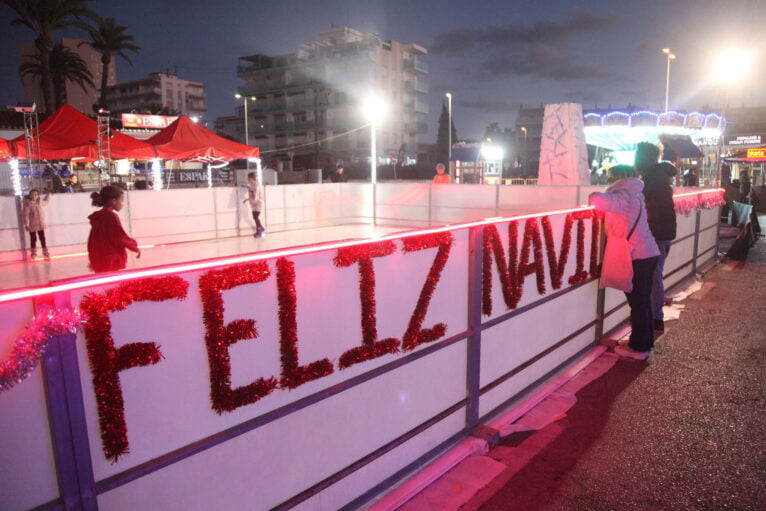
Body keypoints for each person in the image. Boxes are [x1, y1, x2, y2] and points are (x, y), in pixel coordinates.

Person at [589, 165, 660, 360]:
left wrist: (593, 195)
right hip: (646, 252)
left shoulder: (624, 193)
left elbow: (600, 202)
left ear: (617, 177)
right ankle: (645, 341)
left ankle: (639, 348)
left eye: (610, 178)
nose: (609, 181)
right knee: (643, 301)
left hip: (637, 254)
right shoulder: (635, 192)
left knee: (638, 302)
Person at [635, 143, 677, 333]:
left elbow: (651, 207)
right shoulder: (656, 177)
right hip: (660, 233)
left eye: (638, 155)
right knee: (653, 275)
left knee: (652, 276)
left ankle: (655, 318)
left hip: (656, 234)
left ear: (646, 158)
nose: (635, 160)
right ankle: (652, 315)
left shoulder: (654, 180)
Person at [87, 185, 140, 272]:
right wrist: (134, 246)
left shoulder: (98, 217)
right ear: (114, 201)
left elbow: (93, 240)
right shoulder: (111, 216)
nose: (122, 204)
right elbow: (120, 237)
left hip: (99, 259)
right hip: (111, 260)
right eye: (121, 201)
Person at [22, 188, 51, 260]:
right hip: (32, 225)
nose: (34, 196)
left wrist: (48, 194)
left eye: (35, 194)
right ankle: (34, 253)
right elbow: (25, 215)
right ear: (29, 195)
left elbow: (46, 202)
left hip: (40, 224)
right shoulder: (28, 204)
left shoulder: (39, 202)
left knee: (43, 239)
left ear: (38, 195)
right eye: (32, 194)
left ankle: (45, 252)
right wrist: (26, 224)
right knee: (33, 239)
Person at [242, 171, 265, 238]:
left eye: (248, 178)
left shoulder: (256, 185)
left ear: (251, 178)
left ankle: (259, 230)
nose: (247, 179)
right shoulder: (252, 184)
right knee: (255, 217)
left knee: (256, 217)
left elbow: (255, 195)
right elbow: (250, 189)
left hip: (257, 203)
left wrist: (252, 202)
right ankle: (260, 228)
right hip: (254, 203)